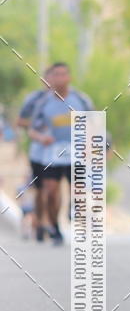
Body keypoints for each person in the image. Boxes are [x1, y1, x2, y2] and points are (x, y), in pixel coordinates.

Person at [28, 62, 94, 245]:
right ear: (51, 78)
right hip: (52, 155)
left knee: (78, 190)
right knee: (51, 192)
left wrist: (89, 144)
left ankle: (73, 209)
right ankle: (55, 229)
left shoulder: (81, 99)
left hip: (76, 152)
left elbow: (92, 124)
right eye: (56, 75)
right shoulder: (42, 103)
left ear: (69, 77)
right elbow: (32, 130)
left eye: (63, 74)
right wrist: (42, 138)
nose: (59, 78)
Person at [16, 69, 53, 242]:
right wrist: (38, 125)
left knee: (53, 187)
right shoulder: (34, 99)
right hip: (39, 150)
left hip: (61, 152)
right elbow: (20, 121)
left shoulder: (70, 99)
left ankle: (50, 222)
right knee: (40, 189)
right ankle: (39, 221)